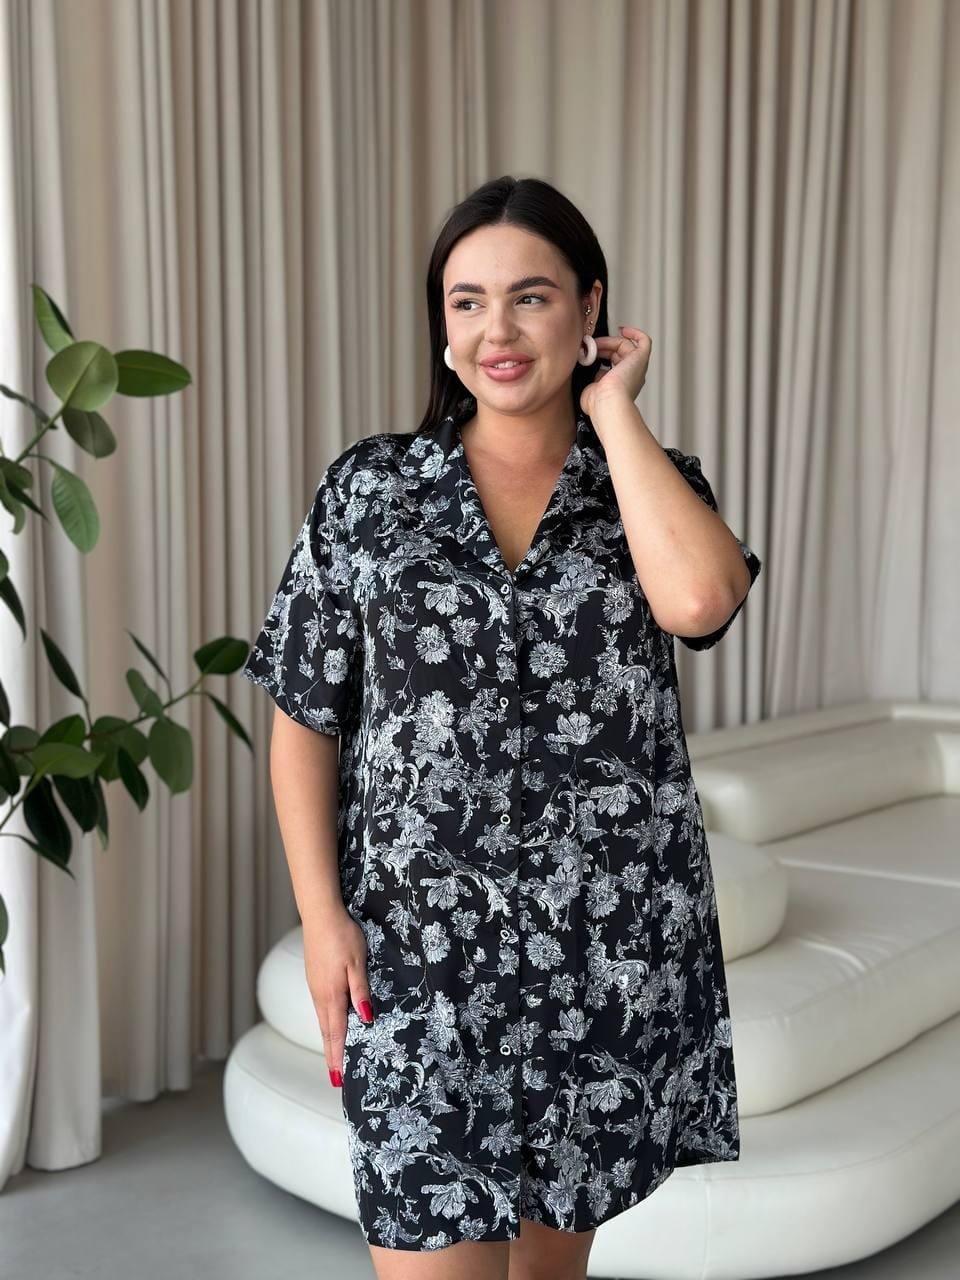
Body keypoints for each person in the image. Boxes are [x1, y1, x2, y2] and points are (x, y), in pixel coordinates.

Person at [241, 175, 762, 1280]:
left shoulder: (651, 486)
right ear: (441, 322)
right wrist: (323, 919)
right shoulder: (371, 491)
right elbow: (302, 717)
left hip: (599, 954)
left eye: (531, 297)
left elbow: (700, 601)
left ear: (590, 307)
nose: (498, 332)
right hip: (418, 960)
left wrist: (614, 411)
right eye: (467, 301)